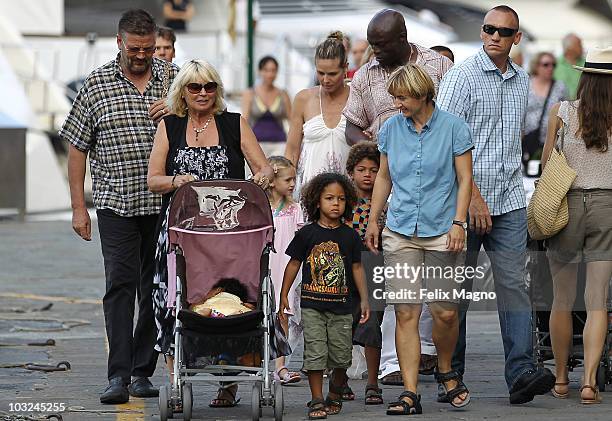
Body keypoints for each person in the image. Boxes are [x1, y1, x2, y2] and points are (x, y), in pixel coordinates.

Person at [437, 5, 556, 404]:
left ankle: (521, 370)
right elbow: (445, 143)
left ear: (516, 38)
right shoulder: (462, 77)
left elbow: (510, 143)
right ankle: (451, 376)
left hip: (509, 199)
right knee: (458, 294)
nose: (493, 36)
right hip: (463, 202)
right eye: (487, 29)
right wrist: (472, 198)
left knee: (515, 285)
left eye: (503, 32)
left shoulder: (522, 80)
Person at [60, 9, 178, 405]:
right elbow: (77, 147)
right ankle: (118, 375)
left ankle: (143, 372)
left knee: (155, 288)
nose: (143, 56)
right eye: (135, 49)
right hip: (116, 204)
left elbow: (207, 114)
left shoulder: (173, 78)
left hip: (163, 204)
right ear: (119, 43)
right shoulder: (96, 85)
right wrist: (79, 207)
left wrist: (176, 110)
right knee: (120, 285)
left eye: (148, 49)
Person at [147, 59, 273, 408]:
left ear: (217, 90)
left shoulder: (234, 124)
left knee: (230, 301)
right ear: (183, 92)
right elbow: (153, 179)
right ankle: (174, 382)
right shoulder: (169, 127)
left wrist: (259, 180)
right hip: (182, 236)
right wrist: (177, 181)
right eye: (194, 87)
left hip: (229, 235)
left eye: (209, 86)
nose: (203, 93)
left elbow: (262, 168)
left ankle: (229, 383)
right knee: (176, 301)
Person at [343, 8, 453, 385]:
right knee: (392, 283)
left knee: (438, 299)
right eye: (371, 44)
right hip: (384, 183)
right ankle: (391, 363)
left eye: (381, 45)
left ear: (402, 37)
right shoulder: (365, 74)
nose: (374, 52)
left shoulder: (438, 65)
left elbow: (453, 125)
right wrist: (378, 146)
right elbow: (351, 127)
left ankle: (431, 356)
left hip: (434, 188)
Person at [363, 63, 473, 415]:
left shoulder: (455, 128)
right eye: (394, 97)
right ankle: (410, 392)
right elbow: (383, 177)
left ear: (423, 94)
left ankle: (444, 368)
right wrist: (374, 220)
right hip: (400, 231)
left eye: (403, 96)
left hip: (443, 230)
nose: (397, 103)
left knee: (444, 314)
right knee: (406, 312)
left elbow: (465, 180)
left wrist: (459, 223)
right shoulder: (391, 129)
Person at [542, 46, 612, 405]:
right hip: (607, 206)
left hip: (566, 204)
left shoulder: (562, 112)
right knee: (596, 300)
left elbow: (546, 165)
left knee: (562, 299)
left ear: (584, 76)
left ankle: (559, 379)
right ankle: (588, 383)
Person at [279, 172, 370, 419]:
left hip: (343, 306)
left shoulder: (350, 236)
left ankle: (334, 392)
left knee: (341, 356)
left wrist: (364, 299)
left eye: (341, 199)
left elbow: (357, 267)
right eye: (329, 198)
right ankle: (316, 399)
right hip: (312, 305)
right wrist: (283, 295)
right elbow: (294, 264)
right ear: (317, 202)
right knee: (315, 353)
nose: (335, 203)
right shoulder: (307, 233)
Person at [343, 141, 386, 405]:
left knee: (372, 326)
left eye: (373, 169)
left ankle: (373, 382)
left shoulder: (385, 204)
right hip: (346, 269)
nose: (367, 175)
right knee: (342, 325)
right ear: (351, 172)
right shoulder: (342, 202)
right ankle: (341, 380)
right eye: (361, 169)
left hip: (376, 268)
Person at [285, 32, 351, 198]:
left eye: (332, 74)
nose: (326, 79)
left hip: (347, 191)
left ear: (346, 68)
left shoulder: (357, 97)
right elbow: (292, 149)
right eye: (321, 73)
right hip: (309, 189)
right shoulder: (303, 98)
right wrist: (286, 186)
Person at [266, 155, 304, 385]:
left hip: (288, 268)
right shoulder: (260, 207)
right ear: (272, 181)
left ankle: (281, 366)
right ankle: (260, 363)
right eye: (288, 179)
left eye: (294, 179)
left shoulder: (295, 208)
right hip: (267, 266)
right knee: (262, 314)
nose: (292, 184)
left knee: (284, 316)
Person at [241, 56, 292, 157]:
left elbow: (292, 120)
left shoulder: (283, 94)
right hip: (256, 145)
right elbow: (244, 121)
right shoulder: (250, 93)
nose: (270, 74)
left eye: (273, 70)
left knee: (280, 171)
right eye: (266, 70)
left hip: (280, 144)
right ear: (260, 71)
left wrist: (293, 144)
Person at [522, 52, 567, 165]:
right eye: (546, 64)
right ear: (536, 66)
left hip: (552, 141)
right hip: (529, 139)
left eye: (553, 65)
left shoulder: (560, 87)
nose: (550, 68)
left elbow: (567, 112)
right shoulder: (525, 84)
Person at [554, 33, 585, 100]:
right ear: (570, 48)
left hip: (582, 105)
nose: (582, 47)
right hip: (561, 105)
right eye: (579, 45)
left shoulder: (586, 64)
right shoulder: (554, 64)